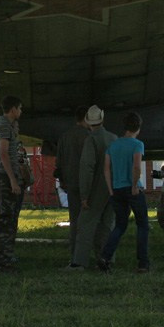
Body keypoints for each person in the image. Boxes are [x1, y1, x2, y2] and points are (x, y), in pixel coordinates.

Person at [97, 112, 150, 273]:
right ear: (138, 128)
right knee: (142, 225)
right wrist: (134, 186)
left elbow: (106, 169)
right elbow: (136, 167)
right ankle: (142, 263)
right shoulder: (137, 144)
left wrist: (110, 189)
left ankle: (105, 256)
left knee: (120, 225)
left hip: (117, 190)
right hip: (133, 189)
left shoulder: (113, 145)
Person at [68, 105, 117, 269]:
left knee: (85, 224)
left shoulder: (91, 140)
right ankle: (106, 259)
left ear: (88, 122)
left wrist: (84, 195)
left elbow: (87, 168)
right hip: (114, 188)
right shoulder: (113, 138)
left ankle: (78, 262)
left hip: (97, 188)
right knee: (107, 224)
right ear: (102, 119)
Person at [0, 95, 24, 272]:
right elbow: (3, 153)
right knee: (7, 220)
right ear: (13, 109)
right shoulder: (4, 127)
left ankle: (3, 257)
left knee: (4, 218)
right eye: (20, 108)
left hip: (0, 175)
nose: (21, 111)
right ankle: (3, 261)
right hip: (5, 177)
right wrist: (12, 179)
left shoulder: (1, 125)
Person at [55, 107, 89, 259]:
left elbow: (59, 162)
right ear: (86, 118)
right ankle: (86, 252)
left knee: (74, 219)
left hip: (71, 183)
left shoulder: (65, 136)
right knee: (89, 218)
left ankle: (75, 252)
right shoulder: (89, 136)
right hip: (86, 183)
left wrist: (63, 181)